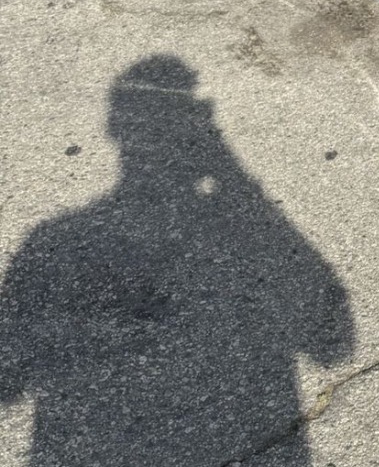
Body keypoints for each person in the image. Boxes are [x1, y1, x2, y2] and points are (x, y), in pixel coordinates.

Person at [0, 54, 353, 466]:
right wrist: (228, 168)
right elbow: (333, 344)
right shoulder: (53, 240)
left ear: (114, 129)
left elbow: (10, 383)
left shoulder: (52, 239)